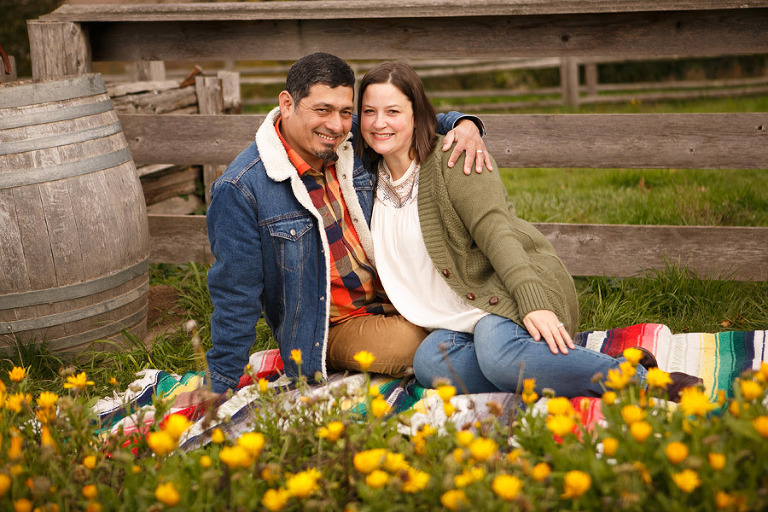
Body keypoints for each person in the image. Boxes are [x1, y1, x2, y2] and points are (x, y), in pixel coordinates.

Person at [356, 61, 702, 399]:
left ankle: (643, 382)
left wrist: (533, 302)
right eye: (369, 112)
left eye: (393, 112)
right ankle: (583, 366)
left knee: (497, 355)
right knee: (430, 365)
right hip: (457, 323)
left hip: (510, 292)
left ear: (417, 115)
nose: (379, 123)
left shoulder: (454, 158)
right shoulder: (364, 176)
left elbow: (497, 233)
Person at [204, 52, 492, 395]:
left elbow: (417, 119)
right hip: (333, 325)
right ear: (287, 104)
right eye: (322, 110)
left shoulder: (349, 138)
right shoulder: (241, 190)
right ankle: (519, 366)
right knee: (419, 343)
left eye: (345, 112)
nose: (336, 125)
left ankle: (493, 344)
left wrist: (466, 125)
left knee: (459, 307)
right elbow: (236, 295)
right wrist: (220, 381)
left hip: (399, 293)